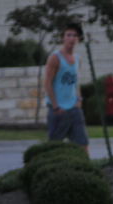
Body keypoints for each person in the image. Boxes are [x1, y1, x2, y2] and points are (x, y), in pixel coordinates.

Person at [43, 23, 88, 152]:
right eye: (68, 35)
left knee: (82, 143)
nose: (71, 38)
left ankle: (84, 164)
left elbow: (76, 82)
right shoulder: (55, 58)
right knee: (54, 146)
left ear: (78, 39)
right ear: (63, 37)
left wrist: (79, 100)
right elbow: (47, 83)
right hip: (58, 109)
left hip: (74, 108)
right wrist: (56, 106)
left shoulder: (77, 59)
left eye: (75, 35)